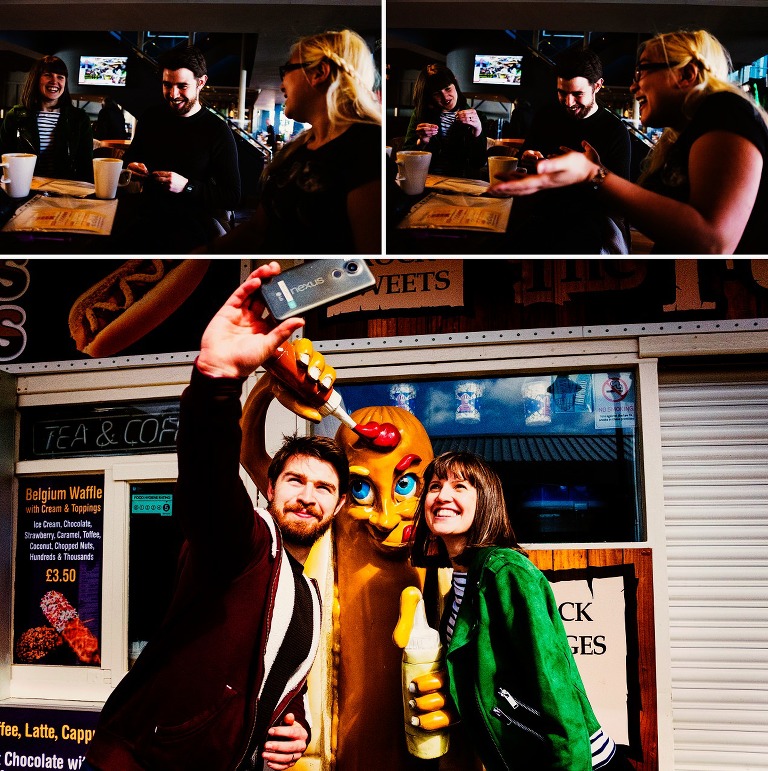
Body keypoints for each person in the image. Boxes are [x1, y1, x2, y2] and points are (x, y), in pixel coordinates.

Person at [83, 262, 349, 771]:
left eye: (323, 488)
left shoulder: (308, 596)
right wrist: (217, 381)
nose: (307, 496)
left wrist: (297, 729)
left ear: (338, 506)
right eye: (295, 480)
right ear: (269, 489)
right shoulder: (242, 545)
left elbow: (274, 687)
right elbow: (206, 485)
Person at [409, 451, 631, 770]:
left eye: (460, 487)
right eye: (434, 486)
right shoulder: (461, 580)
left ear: (485, 502)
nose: (443, 495)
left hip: (577, 763)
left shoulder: (506, 571)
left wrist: (571, 765)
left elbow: (554, 680)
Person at [490, 30, 768, 254]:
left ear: (686, 74)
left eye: (641, 72)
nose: (634, 87)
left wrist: (594, 175)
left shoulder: (725, 110)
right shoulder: (684, 135)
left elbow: (713, 243)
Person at [206, 29, 381, 254]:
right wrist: (199, 255)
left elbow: (370, 260)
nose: (281, 85)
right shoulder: (297, 150)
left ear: (319, 72)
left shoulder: (366, 147)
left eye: (286, 70)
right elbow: (257, 230)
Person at [119, 45, 241, 252]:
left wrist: (187, 186)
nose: (173, 94)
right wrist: (131, 166)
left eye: (182, 86)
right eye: (167, 85)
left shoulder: (217, 130)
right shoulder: (151, 117)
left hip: (190, 228)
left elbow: (232, 196)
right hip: (146, 218)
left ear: (201, 82)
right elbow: (130, 157)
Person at [510, 47, 631, 253]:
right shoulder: (546, 115)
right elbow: (526, 156)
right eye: (562, 93)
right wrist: (528, 158)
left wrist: (590, 173)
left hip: (588, 220)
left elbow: (621, 198)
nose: (568, 102)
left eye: (577, 94)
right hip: (542, 211)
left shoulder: (615, 131)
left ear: (598, 86)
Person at [0, 55, 92, 181]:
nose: (54, 81)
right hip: (25, 189)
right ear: (36, 79)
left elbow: (85, 166)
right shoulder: (15, 116)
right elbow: (3, 161)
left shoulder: (79, 118)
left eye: (60, 77)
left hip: (66, 191)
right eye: (48, 75)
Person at [403, 63, 486, 178]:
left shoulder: (477, 117)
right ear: (429, 96)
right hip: (426, 181)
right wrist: (421, 142)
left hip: (460, 183)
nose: (445, 97)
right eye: (437, 93)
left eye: (448, 89)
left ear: (455, 84)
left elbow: (478, 163)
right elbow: (405, 158)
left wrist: (477, 130)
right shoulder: (421, 114)